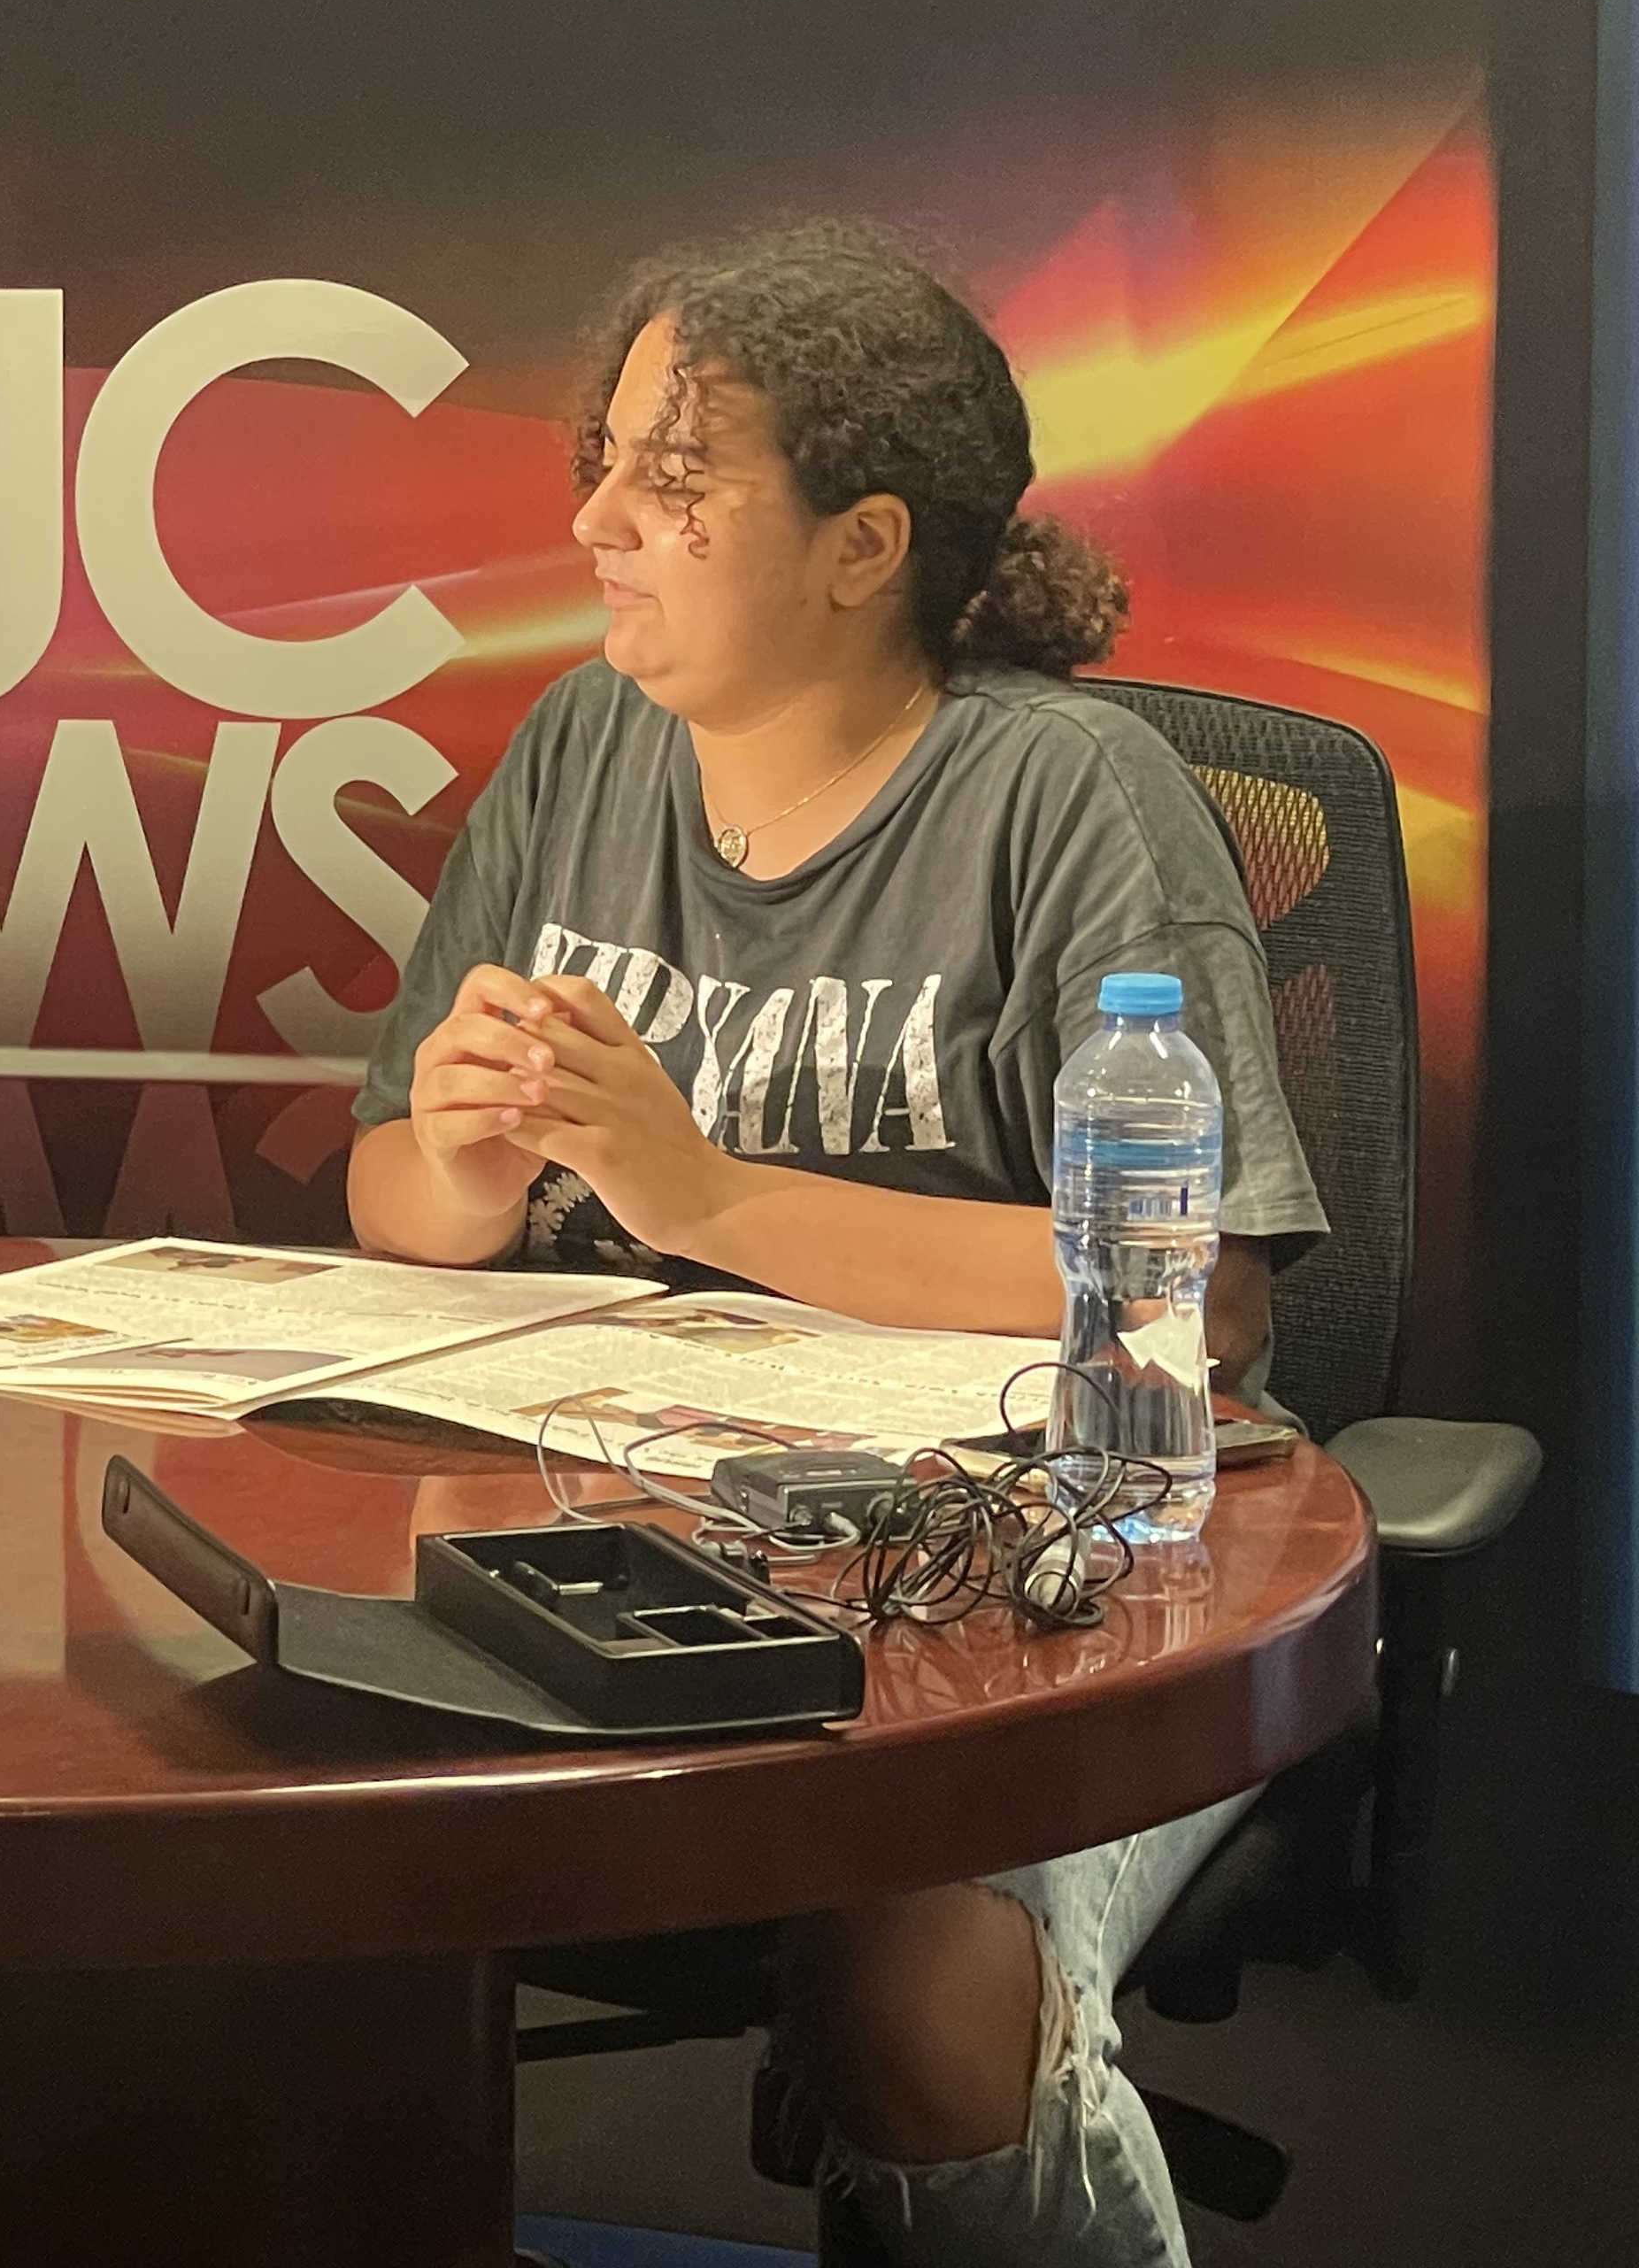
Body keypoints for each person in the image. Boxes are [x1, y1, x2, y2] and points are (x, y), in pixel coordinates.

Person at [345, 220, 1326, 2268]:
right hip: (642, 1520)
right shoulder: (579, 750)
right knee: (260, 1854)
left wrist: (701, 1201)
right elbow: (395, 1211)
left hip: (1042, 1562)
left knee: (915, 1981)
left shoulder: (1071, 798)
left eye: (676, 483)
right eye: (604, 460)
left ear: (864, 542)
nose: (603, 518)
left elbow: (1189, 1295)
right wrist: (456, 1156)